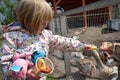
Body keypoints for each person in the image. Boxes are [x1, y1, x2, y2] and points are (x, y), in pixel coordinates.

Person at [0, 0, 93, 80]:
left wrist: (82, 46)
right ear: (28, 20)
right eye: (42, 22)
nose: (45, 25)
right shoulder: (12, 38)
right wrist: (24, 73)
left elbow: (63, 42)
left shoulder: (45, 35)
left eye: (47, 21)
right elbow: (4, 64)